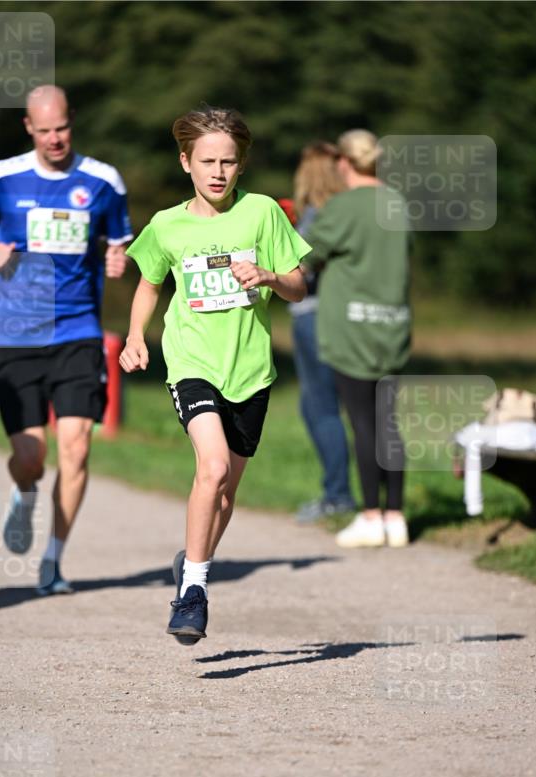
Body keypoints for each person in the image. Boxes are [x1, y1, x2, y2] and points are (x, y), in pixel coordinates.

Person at [120, 105, 310, 644]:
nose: (218, 172)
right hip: (192, 363)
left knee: (225, 493)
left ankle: (192, 560)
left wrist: (271, 275)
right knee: (213, 466)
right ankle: (194, 592)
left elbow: (300, 285)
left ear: (242, 164)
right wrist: (137, 336)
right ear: (186, 162)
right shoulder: (167, 224)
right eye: (207, 161)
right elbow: (150, 281)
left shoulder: (263, 213)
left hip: (250, 370)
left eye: (229, 161)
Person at [0, 85, 132, 594]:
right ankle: (24, 488)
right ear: (28, 128)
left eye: (62, 128)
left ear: (71, 121)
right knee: (32, 456)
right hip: (15, 331)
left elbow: (119, 237)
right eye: (44, 131)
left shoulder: (102, 181)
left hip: (78, 328)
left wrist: (118, 257)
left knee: (76, 449)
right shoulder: (2, 177)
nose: (55, 138)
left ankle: (53, 560)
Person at [304, 129, 412, 548]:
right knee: (390, 423)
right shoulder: (398, 203)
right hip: (394, 325)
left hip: (352, 329)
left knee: (363, 422)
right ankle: (396, 516)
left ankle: (370, 516)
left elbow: (306, 254)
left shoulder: (342, 207)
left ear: (344, 163)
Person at [288, 142, 355, 523]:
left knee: (321, 406)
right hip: (342, 317)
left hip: (313, 316)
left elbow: (301, 268)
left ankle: (337, 494)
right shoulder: (347, 213)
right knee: (332, 406)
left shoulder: (317, 216)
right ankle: (345, 492)